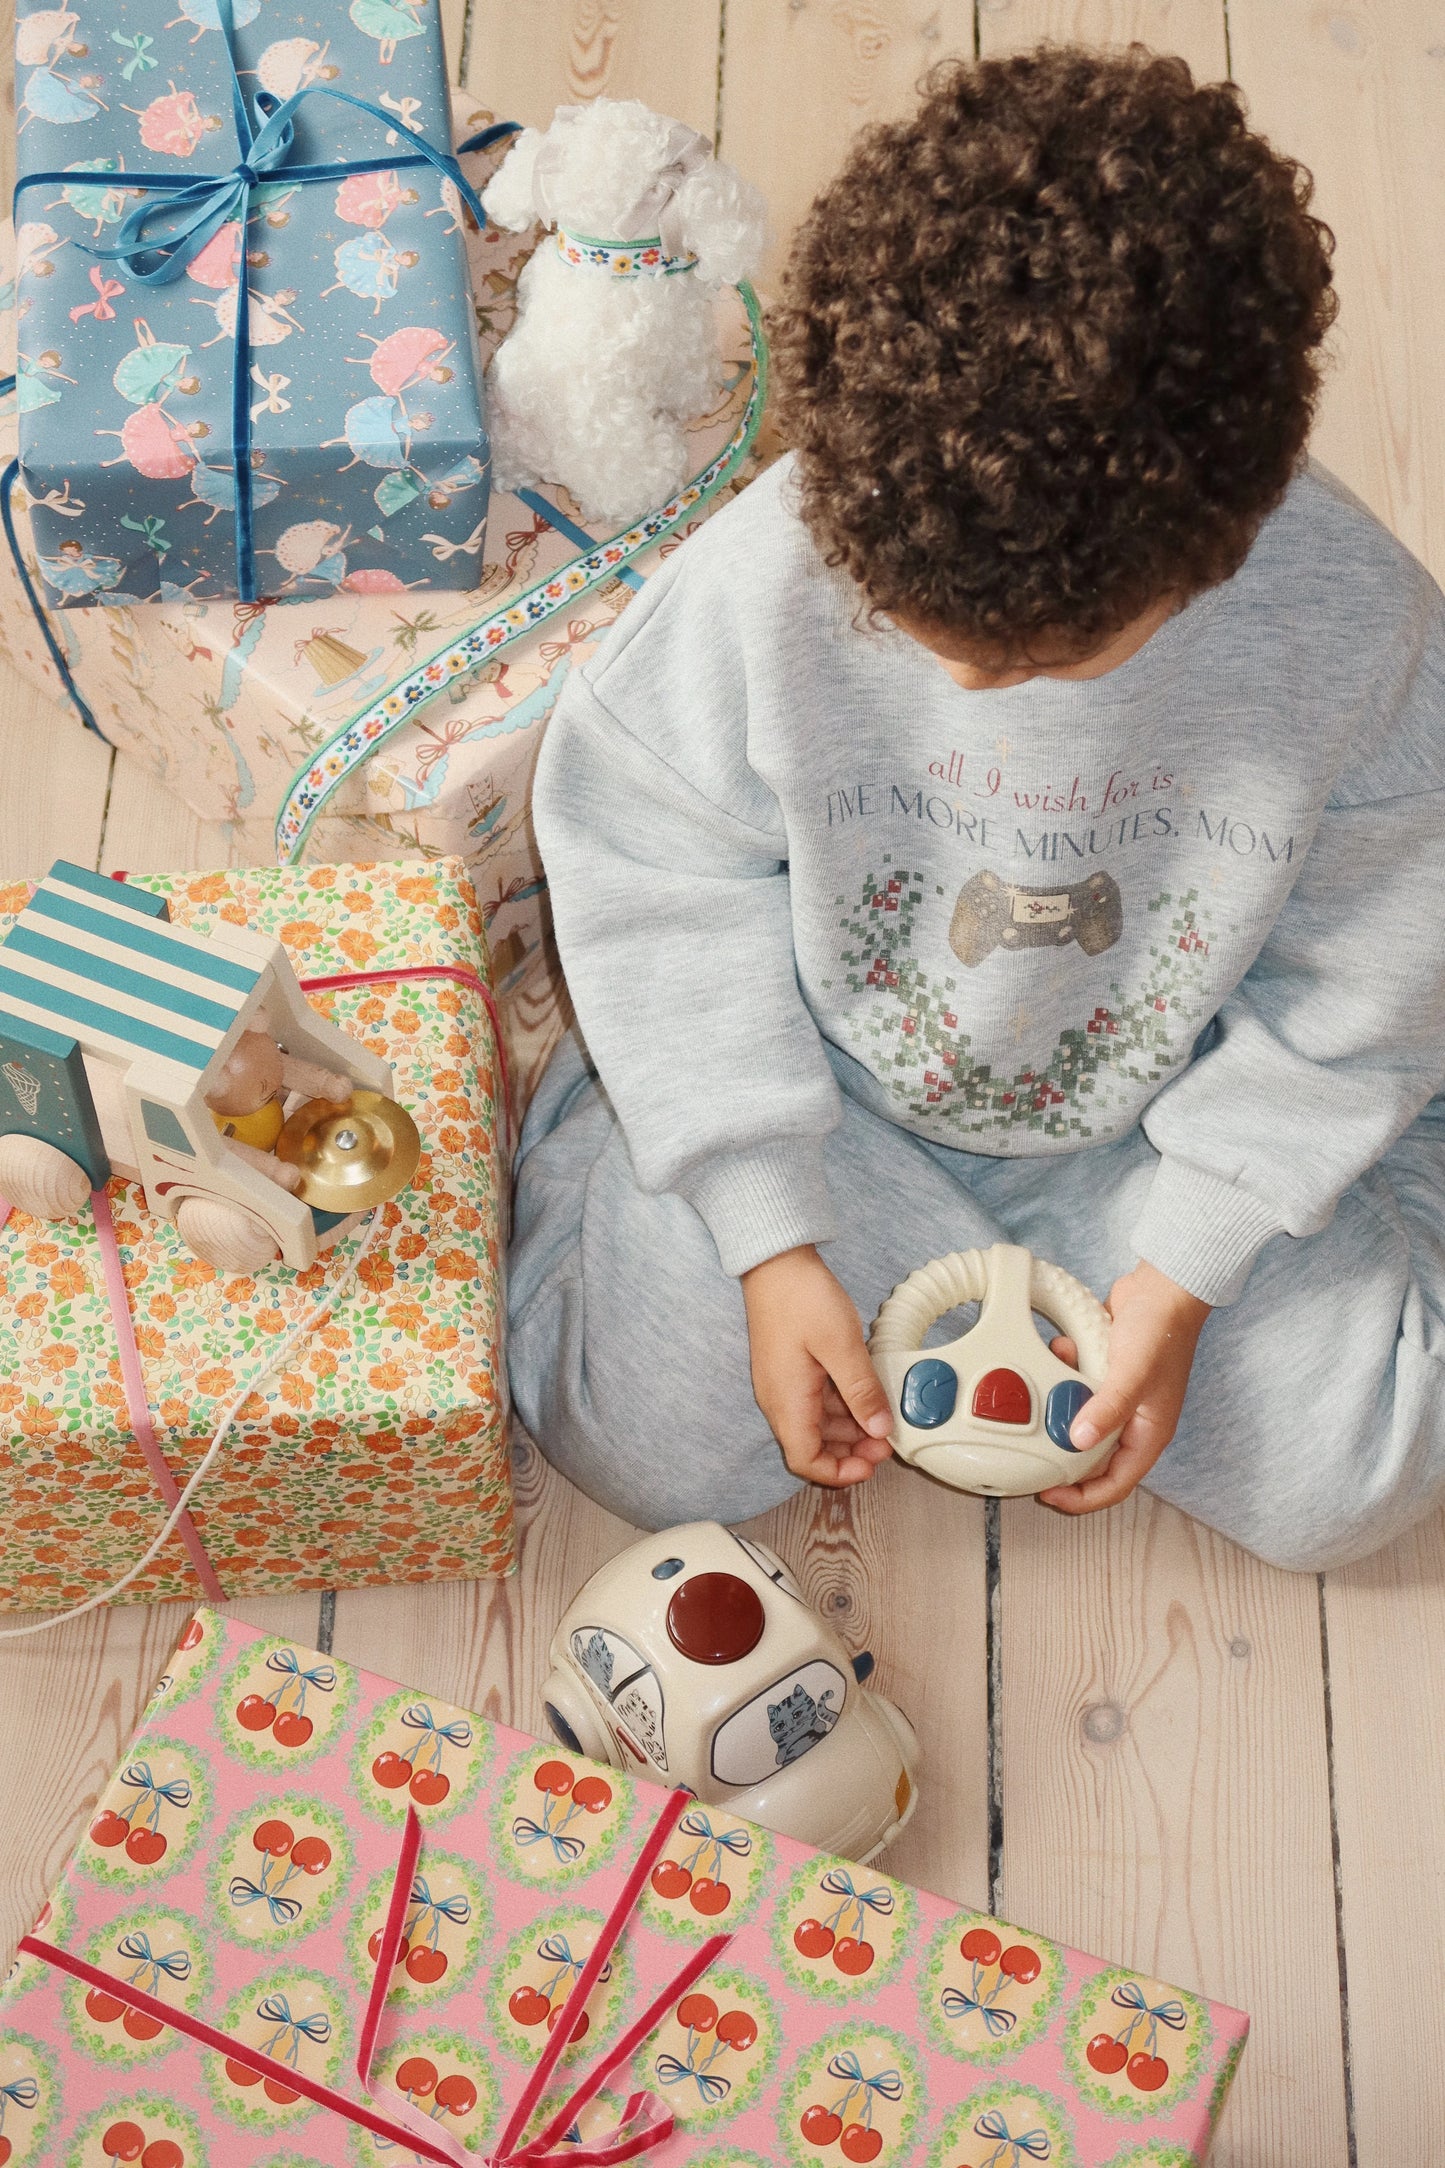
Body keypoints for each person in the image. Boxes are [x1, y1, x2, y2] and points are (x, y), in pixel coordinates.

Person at [507, 44, 1445, 1571]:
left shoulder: (1361, 634)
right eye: (932, 644)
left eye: (1054, 662)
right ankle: (645, 1152)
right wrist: (766, 1238)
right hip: (822, 1117)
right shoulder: (756, 586)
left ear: (1225, 541)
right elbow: (655, 878)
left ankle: (1083, 1278)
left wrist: (1190, 1264)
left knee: (1353, 1480)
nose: (987, 691)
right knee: (632, 1436)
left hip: (1166, 1134)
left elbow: (1376, 964)